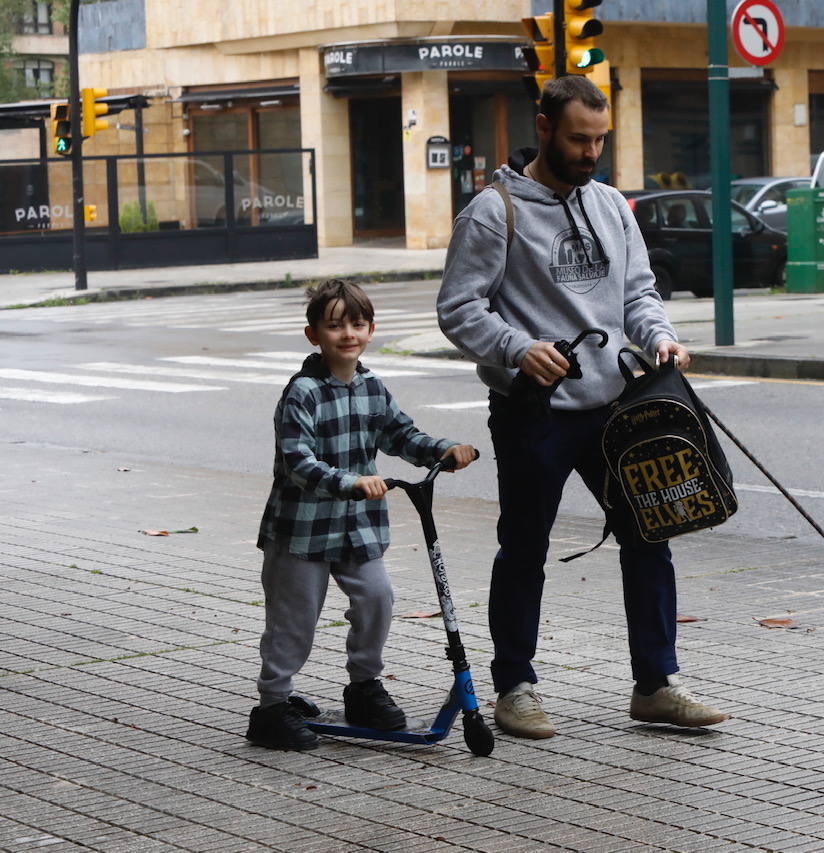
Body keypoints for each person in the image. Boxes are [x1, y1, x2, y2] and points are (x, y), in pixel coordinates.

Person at [436, 75, 727, 740]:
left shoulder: (611, 206)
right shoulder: (493, 211)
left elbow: (639, 292)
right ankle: (515, 685)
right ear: (542, 126)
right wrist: (515, 348)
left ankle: (655, 683)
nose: (591, 151)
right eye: (578, 139)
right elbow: (457, 308)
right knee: (524, 547)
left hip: (615, 405)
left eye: (600, 139)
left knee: (650, 535)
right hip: (533, 413)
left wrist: (659, 336)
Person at [249, 279, 477, 750]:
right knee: (295, 620)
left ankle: (364, 686)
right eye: (334, 325)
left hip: (358, 530)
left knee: (377, 599)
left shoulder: (372, 386)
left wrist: (444, 451)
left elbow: (401, 435)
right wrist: (349, 482)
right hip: (302, 532)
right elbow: (298, 461)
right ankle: (272, 705)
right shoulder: (303, 393)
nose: (347, 333)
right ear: (314, 334)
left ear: (371, 329)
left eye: (356, 324)